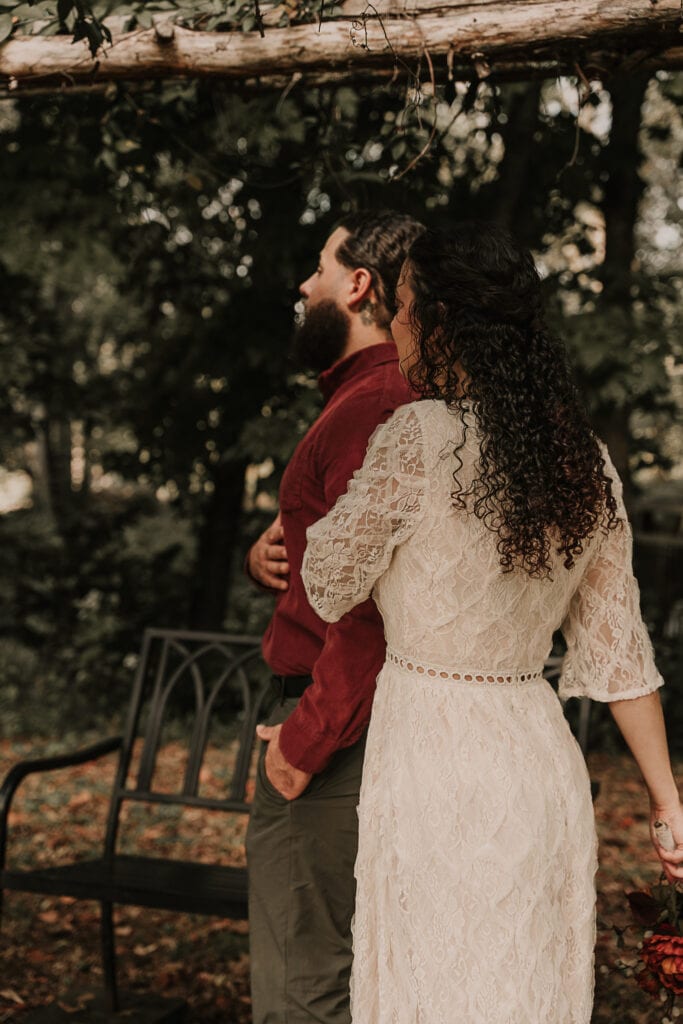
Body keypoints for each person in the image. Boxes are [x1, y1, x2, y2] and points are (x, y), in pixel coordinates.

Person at [301, 222, 683, 1023]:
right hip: (536, 765)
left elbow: (328, 581)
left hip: (432, 764)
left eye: (402, 305)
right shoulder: (582, 460)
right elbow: (618, 654)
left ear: (440, 321)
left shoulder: (415, 438)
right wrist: (666, 803)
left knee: (432, 992)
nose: (395, 322)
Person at [245, 210, 425, 1024]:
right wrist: (269, 558)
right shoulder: (365, 398)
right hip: (339, 724)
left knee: (303, 988)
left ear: (357, 286)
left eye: (318, 267)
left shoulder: (373, 404)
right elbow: (335, 562)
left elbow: (371, 609)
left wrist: (301, 746)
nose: (303, 284)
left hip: (332, 737)